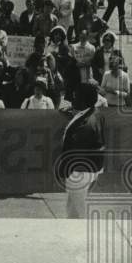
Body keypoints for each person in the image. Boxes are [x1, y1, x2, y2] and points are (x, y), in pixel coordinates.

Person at [55, 83, 105, 218]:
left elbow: (73, 153)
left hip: (79, 173)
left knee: (83, 213)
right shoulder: (94, 113)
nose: (72, 100)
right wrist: (74, 113)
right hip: (89, 169)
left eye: (76, 97)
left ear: (84, 100)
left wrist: (64, 172)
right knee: (72, 208)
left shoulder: (85, 126)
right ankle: (72, 231)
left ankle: (85, 236)